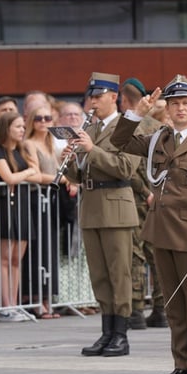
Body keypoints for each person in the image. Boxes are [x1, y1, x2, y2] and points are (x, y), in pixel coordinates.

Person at [110, 74, 187, 374]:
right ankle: (181, 360)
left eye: (186, 104)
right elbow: (118, 141)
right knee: (174, 302)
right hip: (161, 231)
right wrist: (137, 112)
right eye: (174, 104)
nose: (180, 110)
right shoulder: (158, 140)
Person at [62, 73, 141, 356]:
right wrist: (70, 161)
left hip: (116, 205)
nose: (93, 102)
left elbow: (125, 169)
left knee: (119, 273)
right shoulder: (90, 129)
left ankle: (121, 333)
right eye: (90, 97)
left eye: (98, 96)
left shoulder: (128, 126)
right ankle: (107, 331)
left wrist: (91, 150)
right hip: (92, 205)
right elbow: (79, 175)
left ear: (113, 96)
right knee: (99, 275)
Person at [118, 77, 167, 329]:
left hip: (135, 196)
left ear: (124, 99)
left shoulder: (127, 125)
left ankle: (136, 309)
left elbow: (131, 168)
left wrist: (145, 191)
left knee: (136, 254)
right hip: (155, 195)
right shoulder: (157, 126)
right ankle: (161, 308)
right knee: (155, 252)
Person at [0, 112, 41, 322]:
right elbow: (8, 177)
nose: (22, 130)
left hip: (20, 206)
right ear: (7, 128)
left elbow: (37, 173)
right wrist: (27, 174)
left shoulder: (20, 151)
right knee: (3, 257)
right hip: (4, 206)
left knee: (16, 259)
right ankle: (4, 305)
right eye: (18, 126)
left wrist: (27, 173)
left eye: (23, 126)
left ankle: (14, 302)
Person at [22, 106, 63, 319]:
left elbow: (57, 169)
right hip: (36, 200)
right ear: (31, 121)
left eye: (48, 118)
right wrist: (62, 179)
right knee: (38, 249)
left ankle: (47, 299)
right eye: (39, 118)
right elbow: (37, 175)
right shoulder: (29, 143)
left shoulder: (50, 143)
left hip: (51, 200)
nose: (44, 122)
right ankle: (37, 299)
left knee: (50, 249)